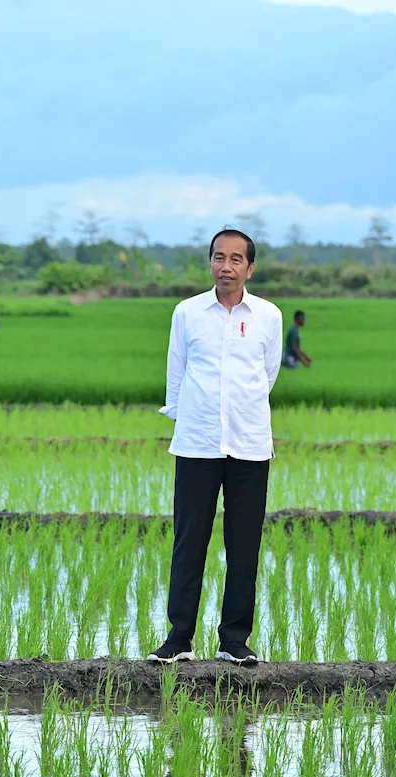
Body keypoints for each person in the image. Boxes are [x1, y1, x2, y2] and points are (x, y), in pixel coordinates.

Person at [147, 229, 282, 667]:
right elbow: (176, 374)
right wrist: (187, 419)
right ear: (209, 263)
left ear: (250, 268)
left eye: (236, 259)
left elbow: (268, 375)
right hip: (197, 443)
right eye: (219, 258)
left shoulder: (268, 316)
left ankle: (234, 640)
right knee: (189, 542)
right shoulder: (187, 313)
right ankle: (178, 639)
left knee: (244, 545)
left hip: (249, 444)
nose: (227, 266)